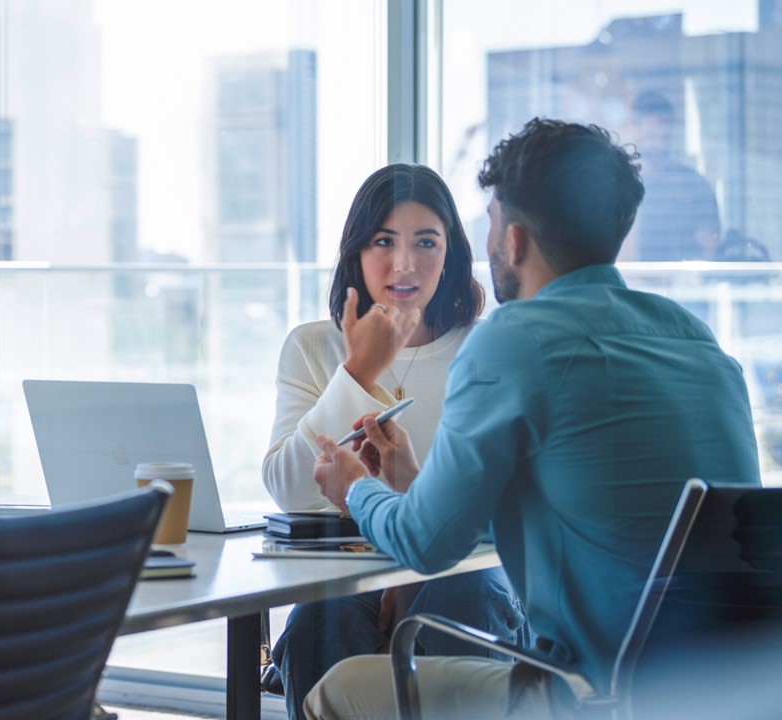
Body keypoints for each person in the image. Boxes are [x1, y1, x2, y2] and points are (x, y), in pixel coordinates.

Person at [305, 119, 761, 719]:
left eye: (490, 221)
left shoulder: (514, 341)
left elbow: (424, 546)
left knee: (337, 689)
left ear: (514, 239)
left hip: (592, 695)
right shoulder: (697, 340)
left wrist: (355, 488)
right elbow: (604, 521)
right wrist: (417, 487)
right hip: (735, 688)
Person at [262, 163, 528, 719]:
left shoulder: (487, 349)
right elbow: (291, 491)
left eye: (425, 242)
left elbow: (507, 508)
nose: (404, 263)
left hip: (465, 572)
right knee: (321, 617)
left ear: (450, 254)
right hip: (348, 574)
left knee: (464, 593)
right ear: (356, 252)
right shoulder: (314, 346)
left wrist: (410, 567)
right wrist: (357, 373)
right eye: (384, 241)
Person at [625, 90, 721, 261]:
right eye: (652, 136)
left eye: (666, 137)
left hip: (682, 285)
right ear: (634, 131)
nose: (660, 146)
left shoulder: (694, 186)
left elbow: (710, 251)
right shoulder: (618, 186)